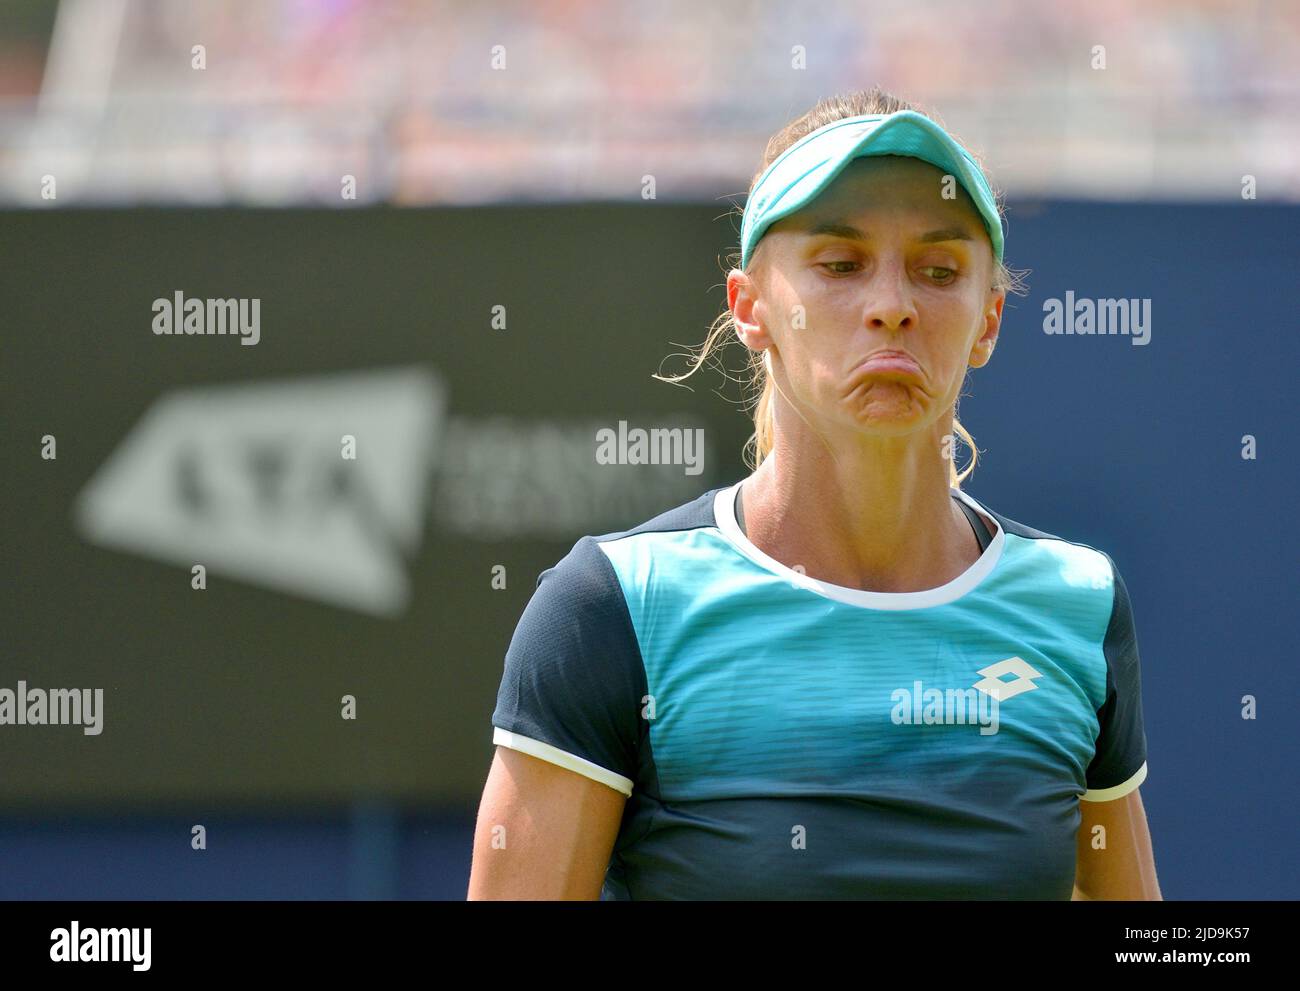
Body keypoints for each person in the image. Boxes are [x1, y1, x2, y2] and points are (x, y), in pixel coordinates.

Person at [468, 88, 1160, 900]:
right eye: (841, 264)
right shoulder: (615, 607)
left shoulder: (1075, 604)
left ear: (989, 320)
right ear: (750, 307)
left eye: (939, 271)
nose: (893, 307)